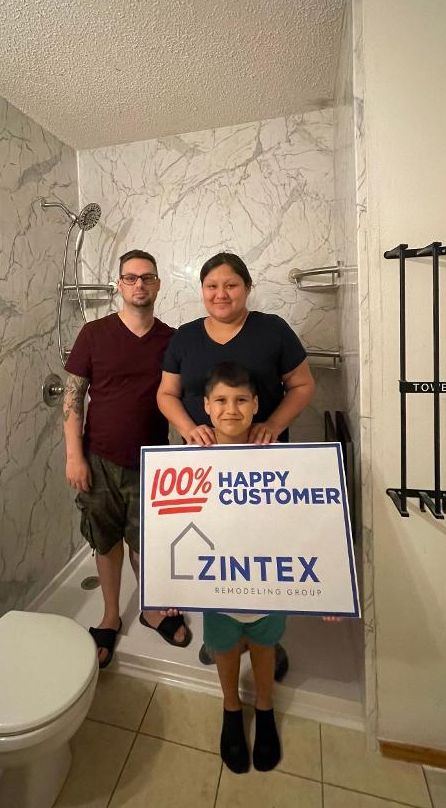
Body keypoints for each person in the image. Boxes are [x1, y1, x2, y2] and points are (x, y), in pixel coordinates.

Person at [156, 251, 315, 672]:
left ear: (247, 287)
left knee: (262, 550)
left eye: (231, 285)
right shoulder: (185, 337)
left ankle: (267, 638)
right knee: (213, 546)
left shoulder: (272, 330)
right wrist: (189, 428)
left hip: (263, 466)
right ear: (202, 290)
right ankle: (222, 635)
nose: (221, 294)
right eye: (212, 286)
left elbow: (302, 384)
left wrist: (273, 424)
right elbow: (166, 394)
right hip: (203, 467)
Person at [63, 249, 191, 667]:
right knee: (105, 540)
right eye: (131, 277)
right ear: (119, 284)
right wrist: (74, 455)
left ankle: (152, 609)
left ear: (158, 284)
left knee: (147, 541)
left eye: (147, 277)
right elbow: (73, 396)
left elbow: (183, 397)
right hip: (98, 459)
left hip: (153, 463)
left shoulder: (172, 340)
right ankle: (110, 615)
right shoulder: (94, 333)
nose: (139, 284)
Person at [199, 362, 286, 773]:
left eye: (239, 400)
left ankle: (265, 708)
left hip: (268, 585)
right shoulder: (190, 461)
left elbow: (305, 525)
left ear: (255, 405)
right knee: (225, 650)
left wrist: (331, 589)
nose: (230, 409)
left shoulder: (278, 458)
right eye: (220, 400)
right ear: (206, 406)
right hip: (217, 588)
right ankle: (231, 709)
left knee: (265, 648)